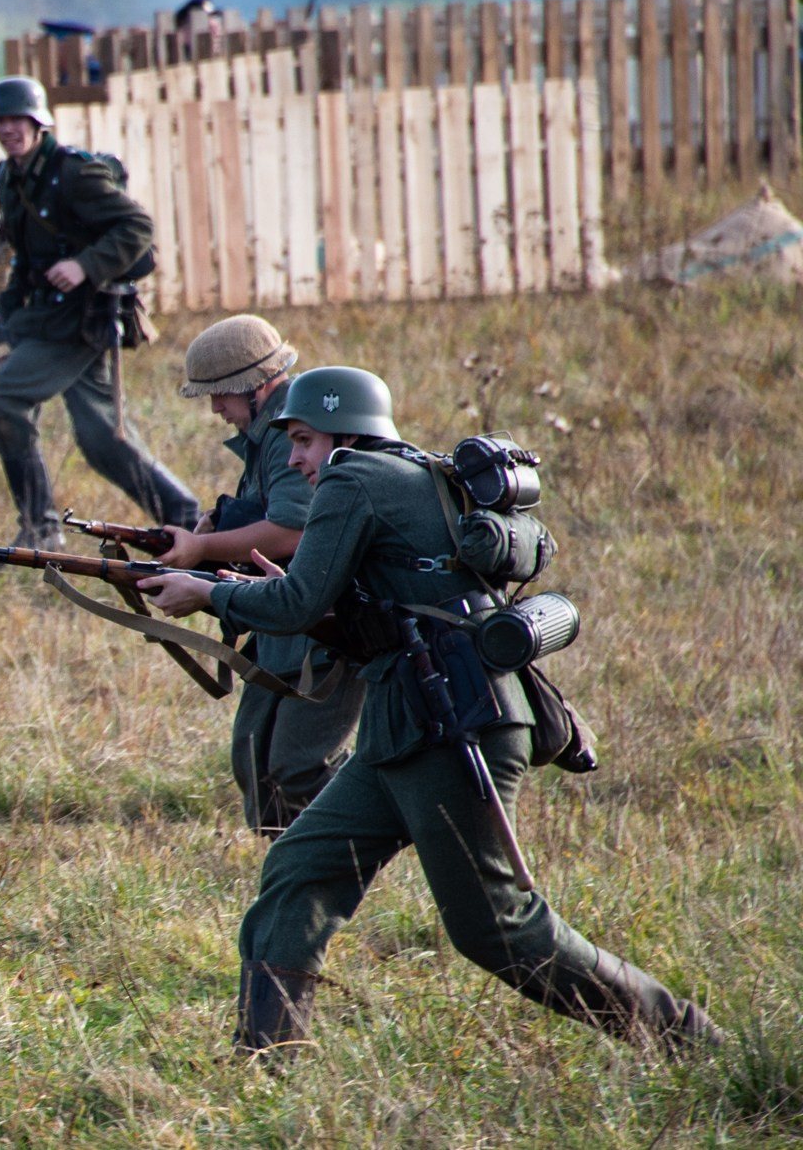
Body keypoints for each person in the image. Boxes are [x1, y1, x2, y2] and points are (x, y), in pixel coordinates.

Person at [137, 367, 720, 1055]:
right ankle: (262, 1059)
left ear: (344, 433)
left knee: (498, 928)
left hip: (449, 725)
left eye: (301, 438)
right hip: (408, 724)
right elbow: (371, 607)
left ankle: (686, 1038)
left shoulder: (353, 479)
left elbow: (296, 605)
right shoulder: (411, 472)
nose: (292, 457)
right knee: (298, 867)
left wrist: (207, 595)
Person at [154, 315, 363, 835]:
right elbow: (267, 515)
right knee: (254, 760)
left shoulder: (286, 429)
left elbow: (293, 530)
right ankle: (284, 869)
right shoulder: (268, 431)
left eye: (220, 394)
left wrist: (201, 546)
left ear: (254, 386)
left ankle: (359, 838)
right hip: (284, 618)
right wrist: (211, 529)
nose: (215, 408)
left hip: (324, 622)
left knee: (297, 768)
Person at [0, 75, 199, 547]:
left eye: (17, 119)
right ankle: (186, 517)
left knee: (3, 401)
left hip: (83, 319)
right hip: (45, 317)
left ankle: (40, 530)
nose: (8, 129)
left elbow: (137, 226)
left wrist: (84, 266)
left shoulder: (73, 173)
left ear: (38, 123)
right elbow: (26, 256)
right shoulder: (6, 179)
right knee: (102, 441)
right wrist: (4, 308)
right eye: (0, 121)